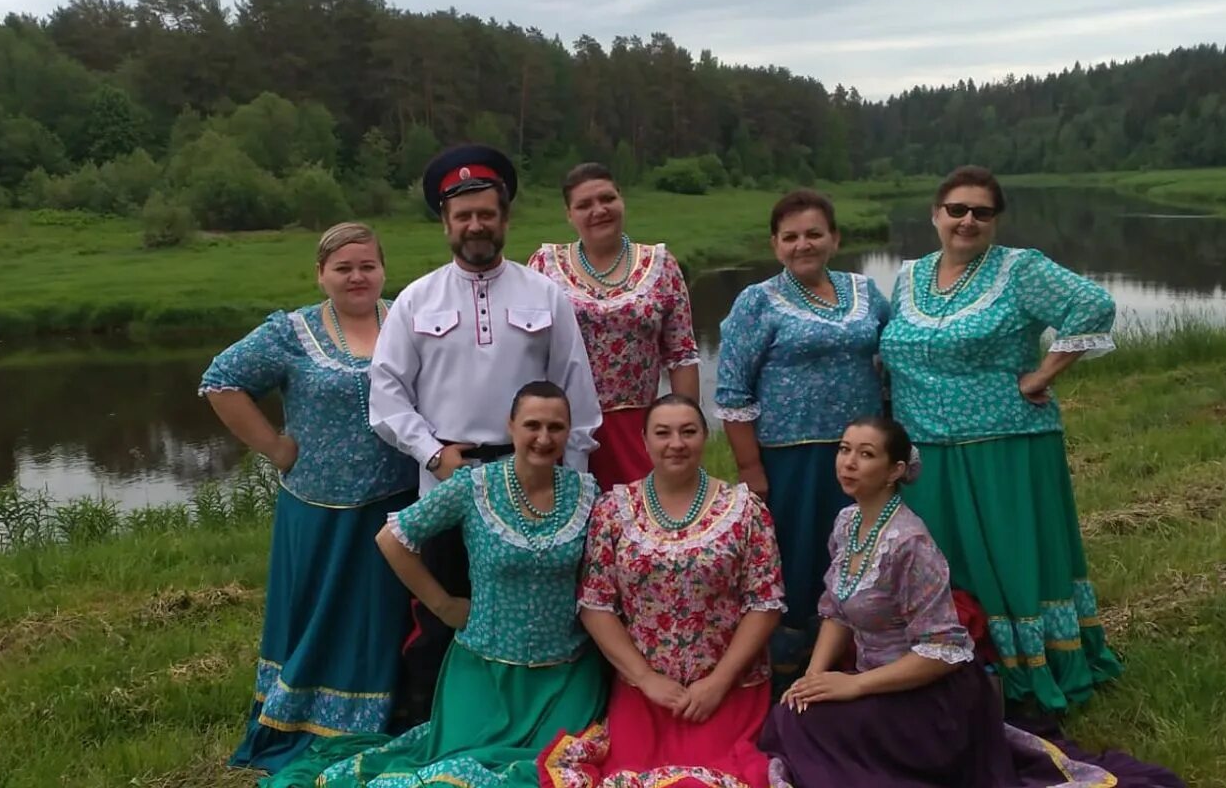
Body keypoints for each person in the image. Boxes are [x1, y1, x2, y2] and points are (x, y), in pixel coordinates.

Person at [764, 417, 1182, 788]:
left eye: (865, 454)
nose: (848, 462)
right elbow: (836, 610)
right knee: (793, 714)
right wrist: (813, 678)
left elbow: (942, 651)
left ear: (894, 471)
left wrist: (853, 685)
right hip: (875, 682)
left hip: (930, 698)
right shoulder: (848, 522)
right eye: (844, 449)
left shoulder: (909, 543)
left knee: (805, 729)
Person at [267, 382, 608, 788]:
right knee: (461, 773)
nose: (544, 437)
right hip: (485, 674)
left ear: (569, 431)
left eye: (556, 427)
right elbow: (391, 539)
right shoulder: (474, 487)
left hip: (566, 675)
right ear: (511, 426)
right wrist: (443, 605)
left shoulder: (586, 494)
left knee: (555, 769)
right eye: (532, 424)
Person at [369, 143, 602, 723]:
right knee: (443, 615)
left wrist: (571, 491)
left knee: (542, 611)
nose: (476, 225)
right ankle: (429, 726)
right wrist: (431, 454)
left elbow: (578, 396)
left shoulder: (545, 296)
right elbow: (386, 396)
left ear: (504, 218)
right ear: (446, 223)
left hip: (536, 482)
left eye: (486, 214)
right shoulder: (416, 300)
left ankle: (541, 722)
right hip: (451, 480)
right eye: (463, 216)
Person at [879, 165, 1121, 712]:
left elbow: (1093, 305)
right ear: (935, 215)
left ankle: (1026, 667)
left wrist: (1041, 376)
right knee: (941, 563)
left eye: (981, 212)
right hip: (925, 455)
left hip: (1003, 446)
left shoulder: (1020, 269)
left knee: (1007, 560)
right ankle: (947, 667)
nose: (968, 220)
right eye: (957, 209)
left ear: (995, 220)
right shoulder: (909, 274)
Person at [199, 223, 418, 774]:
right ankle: (307, 718)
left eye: (367, 265)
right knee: (324, 618)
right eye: (343, 268)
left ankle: (391, 713)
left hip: (401, 503)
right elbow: (221, 380)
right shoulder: (290, 333)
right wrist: (274, 447)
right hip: (320, 513)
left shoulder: (410, 319)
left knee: (388, 620)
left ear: (383, 269)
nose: (357, 277)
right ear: (321, 274)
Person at [542, 394, 783, 788]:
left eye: (688, 432)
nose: (676, 443)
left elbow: (766, 604)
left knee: (722, 777)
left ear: (705, 437)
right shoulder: (613, 510)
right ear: (644, 440)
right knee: (629, 776)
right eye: (663, 433)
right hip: (646, 692)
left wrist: (718, 682)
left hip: (728, 689)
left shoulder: (745, 509)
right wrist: (645, 678)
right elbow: (595, 605)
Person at [713, 189, 889, 688]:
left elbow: (893, 356)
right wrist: (751, 468)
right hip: (792, 460)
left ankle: (858, 662)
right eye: (790, 237)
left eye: (813, 233)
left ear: (834, 238)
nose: (802, 244)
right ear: (775, 245)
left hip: (862, 456)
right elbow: (731, 390)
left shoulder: (866, 292)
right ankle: (790, 671)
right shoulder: (757, 301)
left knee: (859, 553)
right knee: (798, 557)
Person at [529, 163, 701, 488]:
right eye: (584, 205)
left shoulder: (661, 266)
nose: (599, 210)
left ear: (621, 200)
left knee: (645, 524)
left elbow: (681, 356)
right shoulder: (545, 265)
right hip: (562, 430)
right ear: (569, 215)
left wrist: (686, 428)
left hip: (639, 429)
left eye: (607, 198)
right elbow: (528, 353)